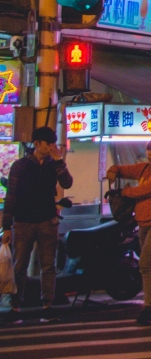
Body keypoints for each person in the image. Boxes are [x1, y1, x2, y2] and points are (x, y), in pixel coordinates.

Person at [1, 126, 73, 321]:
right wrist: (7, 226)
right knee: (19, 265)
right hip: (23, 222)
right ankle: (15, 306)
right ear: (36, 144)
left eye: (52, 144)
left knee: (48, 265)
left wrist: (59, 161)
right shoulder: (20, 165)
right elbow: (11, 196)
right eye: (47, 144)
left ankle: (47, 305)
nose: (51, 147)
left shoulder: (54, 164)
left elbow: (67, 183)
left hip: (47, 220)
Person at [107, 137, 151, 325]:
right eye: (148, 150)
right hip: (144, 222)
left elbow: (146, 190)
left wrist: (125, 192)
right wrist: (114, 169)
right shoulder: (146, 168)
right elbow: (127, 169)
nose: (149, 154)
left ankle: (149, 307)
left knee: (145, 263)